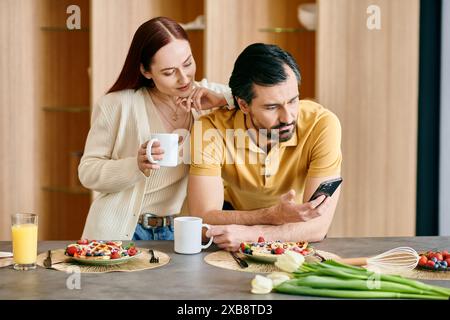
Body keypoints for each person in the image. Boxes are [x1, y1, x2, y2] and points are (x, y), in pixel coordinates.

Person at [79, 17, 234, 240]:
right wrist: (135, 165)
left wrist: (220, 100)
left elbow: (255, 98)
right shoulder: (116, 105)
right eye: (169, 72)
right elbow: (87, 171)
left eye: (188, 63)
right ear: (146, 70)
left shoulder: (204, 96)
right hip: (120, 231)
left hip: (175, 231)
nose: (184, 78)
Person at [188, 43, 342, 251]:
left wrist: (253, 235)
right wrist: (273, 216)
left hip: (290, 232)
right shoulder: (211, 129)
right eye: (272, 107)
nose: (288, 117)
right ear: (243, 105)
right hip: (233, 228)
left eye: (293, 101)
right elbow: (202, 219)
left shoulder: (321, 124)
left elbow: (317, 227)